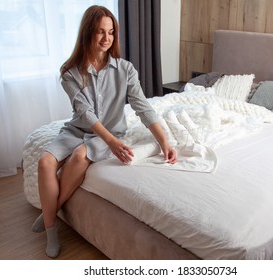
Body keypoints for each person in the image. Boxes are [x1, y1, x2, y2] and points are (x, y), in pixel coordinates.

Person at [31, 5, 177, 258]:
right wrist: (111, 143)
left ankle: (49, 217)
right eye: (100, 32)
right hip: (79, 129)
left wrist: (164, 141)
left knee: (79, 158)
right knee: (45, 162)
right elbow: (84, 112)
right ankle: (51, 228)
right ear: (87, 33)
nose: (106, 38)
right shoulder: (70, 72)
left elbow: (143, 106)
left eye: (110, 32)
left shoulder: (125, 69)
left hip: (111, 131)